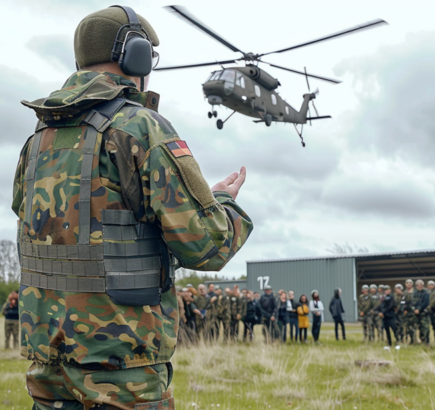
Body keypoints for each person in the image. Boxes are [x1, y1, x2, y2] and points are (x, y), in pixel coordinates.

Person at [13, 6, 254, 409]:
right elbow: (208, 245)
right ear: (136, 55)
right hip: (122, 375)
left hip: (49, 371)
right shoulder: (140, 128)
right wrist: (224, 203)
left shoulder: (36, 141)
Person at [411, 280, 431, 345]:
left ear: (423, 285)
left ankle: (426, 342)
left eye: (421, 285)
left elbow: (425, 303)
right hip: (415, 313)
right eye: (418, 285)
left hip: (423, 313)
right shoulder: (414, 293)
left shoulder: (426, 293)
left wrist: (419, 309)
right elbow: (412, 303)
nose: (419, 286)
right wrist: (414, 309)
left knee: (425, 328)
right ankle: (417, 341)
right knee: (417, 328)